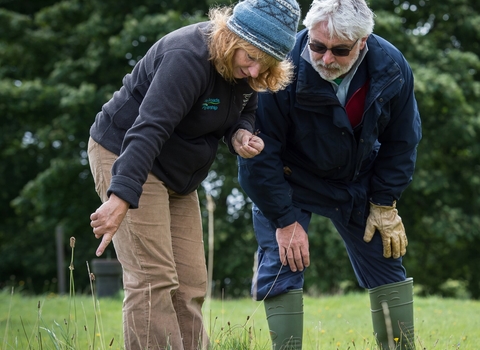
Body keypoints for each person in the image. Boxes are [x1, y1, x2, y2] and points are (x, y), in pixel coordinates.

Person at [87, 0, 301, 349]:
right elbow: (148, 129)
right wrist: (120, 196)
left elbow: (245, 108)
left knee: (190, 283)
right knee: (153, 279)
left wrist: (240, 134)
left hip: (178, 175)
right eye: (250, 57)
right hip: (126, 154)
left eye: (266, 63)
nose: (254, 71)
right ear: (231, 37)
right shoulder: (187, 57)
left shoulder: (250, 69)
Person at [238, 0, 422, 349]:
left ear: (363, 42)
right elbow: (260, 154)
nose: (325, 59)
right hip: (288, 180)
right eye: (318, 46)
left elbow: (403, 141)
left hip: (356, 181)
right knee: (282, 261)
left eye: (339, 51)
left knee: (386, 254)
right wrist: (283, 219)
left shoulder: (392, 68)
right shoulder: (280, 65)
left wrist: (384, 202)